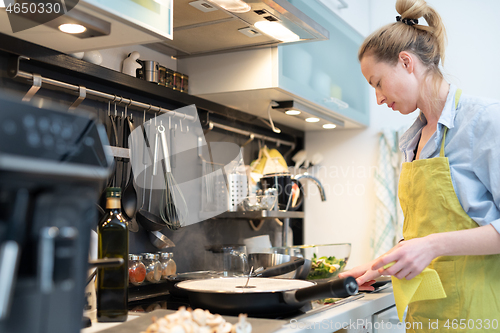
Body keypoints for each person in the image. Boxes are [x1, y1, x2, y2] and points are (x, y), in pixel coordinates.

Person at [338, 0, 500, 330]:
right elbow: (422, 232)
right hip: (424, 316)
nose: (379, 98)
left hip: (476, 315)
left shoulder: (483, 120)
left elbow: (431, 241)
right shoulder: (413, 139)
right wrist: (379, 266)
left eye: (377, 82)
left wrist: (432, 246)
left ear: (406, 62)